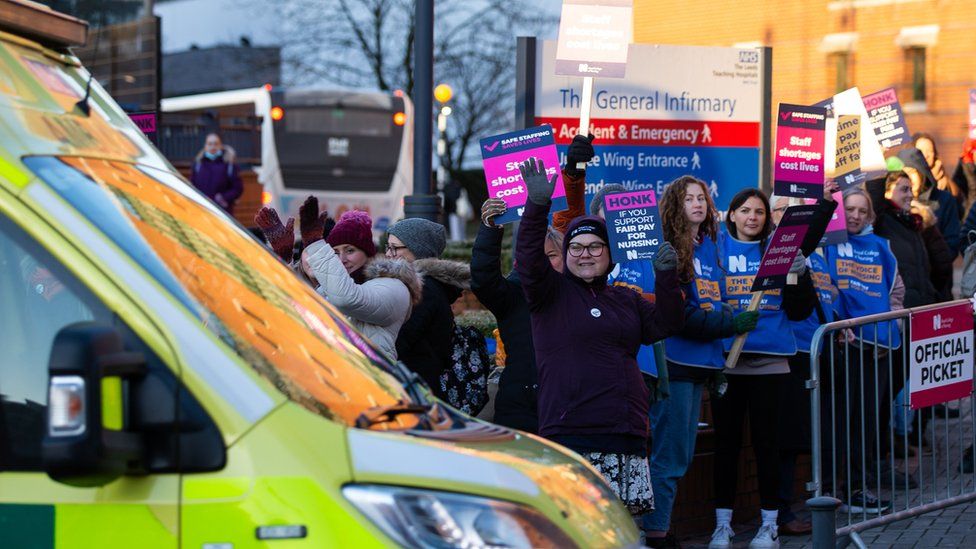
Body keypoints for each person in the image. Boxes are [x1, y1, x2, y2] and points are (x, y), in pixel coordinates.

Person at [515, 156, 685, 523]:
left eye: (595, 247)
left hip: (624, 432)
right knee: (577, 531)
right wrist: (537, 205)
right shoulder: (550, 295)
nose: (585, 254)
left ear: (610, 254)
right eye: (576, 247)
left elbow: (668, 323)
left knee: (621, 531)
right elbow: (528, 260)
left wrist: (667, 278)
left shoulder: (626, 298)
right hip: (571, 433)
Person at [644, 176, 759, 548]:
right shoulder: (670, 251)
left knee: (682, 455)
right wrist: (730, 321)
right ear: (675, 206)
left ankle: (660, 527)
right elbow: (682, 317)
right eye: (688, 198)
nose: (697, 204)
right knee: (670, 457)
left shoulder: (708, 248)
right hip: (674, 365)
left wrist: (727, 313)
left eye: (702, 198)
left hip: (700, 367)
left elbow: (712, 301)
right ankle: (656, 534)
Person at [709, 188, 816, 549]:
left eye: (759, 211)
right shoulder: (717, 250)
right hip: (727, 364)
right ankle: (721, 525)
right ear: (732, 215)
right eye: (745, 210)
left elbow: (801, 311)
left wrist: (801, 275)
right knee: (726, 447)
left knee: (768, 446)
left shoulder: (779, 250)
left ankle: (769, 525)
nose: (752, 217)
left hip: (771, 365)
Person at [469, 135, 595, 433]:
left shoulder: (581, 293)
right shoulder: (512, 296)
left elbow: (570, 221)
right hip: (520, 412)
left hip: (572, 412)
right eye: (534, 255)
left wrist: (574, 171)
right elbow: (484, 279)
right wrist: (490, 228)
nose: (542, 261)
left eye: (551, 255)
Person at [823, 186, 904, 514]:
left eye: (861, 211)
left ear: (870, 216)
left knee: (866, 424)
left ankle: (858, 489)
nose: (855, 215)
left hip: (878, 349)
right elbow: (826, 286)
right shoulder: (830, 244)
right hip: (845, 346)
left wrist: (894, 324)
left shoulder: (882, 247)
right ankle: (831, 493)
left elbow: (895, 290)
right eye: (850, 209)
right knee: (840, 422)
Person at [302, 210, 422, 362]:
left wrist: (315, 245)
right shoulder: (328, 288)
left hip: (369, 380)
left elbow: (347, 299)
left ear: (368, 254)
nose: (342, 259)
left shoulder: (393, 285)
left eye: (350, 250)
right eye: (335, 252)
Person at [386, 217, 470, 400]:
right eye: (388, 247)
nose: (388, 254)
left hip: (417, 390)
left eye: (395, 248)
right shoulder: (419, 285)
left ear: (418, 250)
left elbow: (400, 341)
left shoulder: (424, 289)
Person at [897, 147, 961, 256]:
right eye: (903, 174)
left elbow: (952, 242)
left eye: (912, 172)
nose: (908, 180)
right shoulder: (893, 203)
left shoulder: (944, 200)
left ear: (921, 173)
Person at [191, 133, 244, 214]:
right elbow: (193, 186)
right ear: (205, 146)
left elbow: (237, 188)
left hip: (222, 211)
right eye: (210, 144)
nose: (213, 147)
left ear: (220, 146)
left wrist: (224, 197)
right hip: (202, 209)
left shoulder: (229, 164)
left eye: (216, 144)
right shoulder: (198, 164)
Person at [914, 132, 965, 213]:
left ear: (935, 154)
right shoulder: (909, 176)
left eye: (930, 151)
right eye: (921, 151)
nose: (926, 155)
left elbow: (960, 204)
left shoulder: (943, 178)